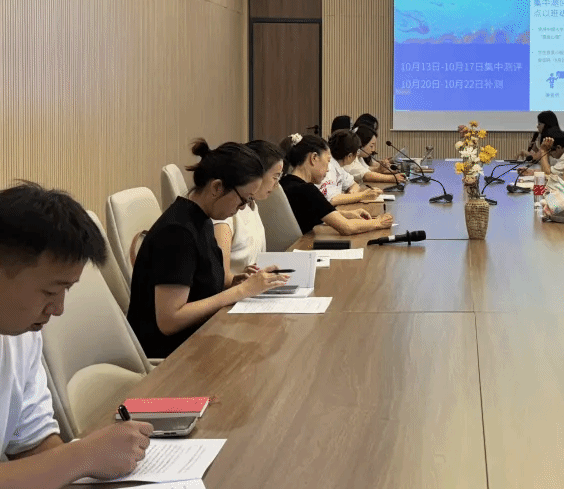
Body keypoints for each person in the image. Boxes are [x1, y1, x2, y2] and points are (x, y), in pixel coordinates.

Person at [0, 184, 154, 489]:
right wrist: (83, 455)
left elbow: (31, 444)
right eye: (50, 291)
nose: (58, 309)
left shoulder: (18, 331)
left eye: (66, 291)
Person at [127, 140, 291, 358]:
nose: (241, 209)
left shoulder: (202, 218)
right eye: (243, 201)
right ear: (217, 187)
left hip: (201, 337)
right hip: (173, 356)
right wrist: (240, 291)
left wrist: (239, 281)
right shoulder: (178, 233)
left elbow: (204, 283)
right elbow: (169, 321)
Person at [281, 134, 394, 236]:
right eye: (328, 161)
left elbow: (318, 212)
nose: (328, 169)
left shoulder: (285, 182)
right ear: (314, 158)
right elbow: (347, 228)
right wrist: (378, 222)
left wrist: (347, 214)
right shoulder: (307, 190)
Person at [212, 139, 285, 285]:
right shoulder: (225, 214)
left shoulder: (251, 205)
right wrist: (243, 278)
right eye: (275, 177)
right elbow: (222, 278)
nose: (277, 185)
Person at [321, 130, 381, 206]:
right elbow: (332, 200)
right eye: (357, 152)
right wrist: (363, 195)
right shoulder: (328, 168)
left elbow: (353, 184)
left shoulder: (338, 166)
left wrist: (353, 193)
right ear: (349, 156)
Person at [342, 124, 406, 185]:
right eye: (371, 146)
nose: (373, 150)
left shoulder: (359, 157)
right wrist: (393, 178)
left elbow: (367, 169)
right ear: (360, 145)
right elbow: (366, 176)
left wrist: (379, 169)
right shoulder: (349, 158)